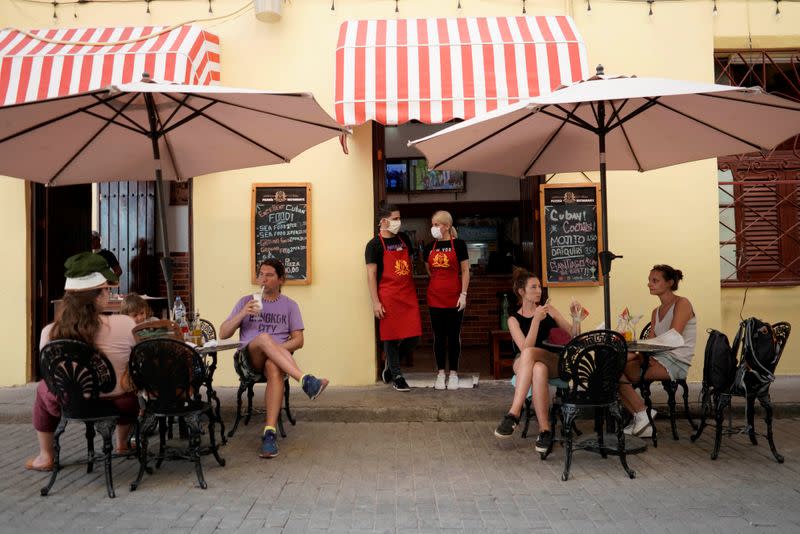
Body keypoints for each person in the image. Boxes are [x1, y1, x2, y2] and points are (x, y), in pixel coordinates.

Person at [26, 252, 139, 471]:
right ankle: (122, 443)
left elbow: (50, 376)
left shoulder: (49, 332)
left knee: (42, 388)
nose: (109, 292)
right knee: (129, 389)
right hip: (119, 405)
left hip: (70, 404)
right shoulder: (126, 324)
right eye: (107, 287)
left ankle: (45, 456)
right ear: (99, 295)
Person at [219, 259, 328, 459]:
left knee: (274, 365)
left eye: (269, 275)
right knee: (263, 338)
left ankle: (269, 433)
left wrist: (273, 350)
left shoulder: (290, 305)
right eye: (261, 274)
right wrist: (243, 313)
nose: (263, 279)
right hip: (247, 361)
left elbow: (299, 340)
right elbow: (223, 333)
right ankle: (305, 380)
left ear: (281, 279)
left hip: (275, 361)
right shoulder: (246, 301)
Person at [493, 269, 575, 454]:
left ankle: (514, 413)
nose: (539, 290)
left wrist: (576, 317)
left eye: (539, 286)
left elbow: (573, 335)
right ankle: (545, 431)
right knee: (537, 367)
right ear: (521, 292)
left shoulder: (550, 310)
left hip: (552, 358)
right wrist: (536, 321)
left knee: (533, 358)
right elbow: (524, 348)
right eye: (533, 287)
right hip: (526, 362)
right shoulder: (513, 319)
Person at [619, 264, 697, 437]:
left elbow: (674, 337)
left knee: (616, 369)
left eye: (655, 280)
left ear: (669, 283)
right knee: (611, 369)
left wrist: (643, 354)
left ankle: (642, 414)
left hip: (675, 360)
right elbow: (651, 343)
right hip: (657, 356)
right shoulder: (656, 312)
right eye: (649, 280)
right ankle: (642, 419)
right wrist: (637, 355)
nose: (649, 284)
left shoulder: (682, 303)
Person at [365, 203, 422, 392]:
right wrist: (375, 302)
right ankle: (397, 375)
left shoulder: (404, 239)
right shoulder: (373, 245)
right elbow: (371, 275)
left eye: (399, 218)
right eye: (395, 219)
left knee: (414, 336)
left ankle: (390, 364)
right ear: (383, 221)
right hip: (388, 295)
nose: (399, 222)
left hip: (407, 293)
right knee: (390, 337)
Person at [424, 210, 470, 390]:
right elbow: (429, 270)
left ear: (447, 226)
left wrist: (463, 294)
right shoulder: (429, 247)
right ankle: (441, 373)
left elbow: (465, 270)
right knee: (439, 337)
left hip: (455, 298)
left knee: (453, 336)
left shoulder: (459, 245)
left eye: (437, 224)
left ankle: (454, 374)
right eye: (433, 224)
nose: (434, 228)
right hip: (434, 298)